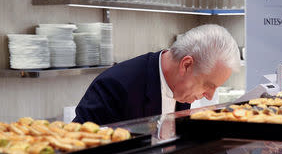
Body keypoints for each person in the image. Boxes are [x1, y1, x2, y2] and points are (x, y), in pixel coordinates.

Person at [73, 24, 241, 125]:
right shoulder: (114, 87)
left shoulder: (181, 88)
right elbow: (79, 152)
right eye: (208, 85)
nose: (210, 97)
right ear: (187, 65)